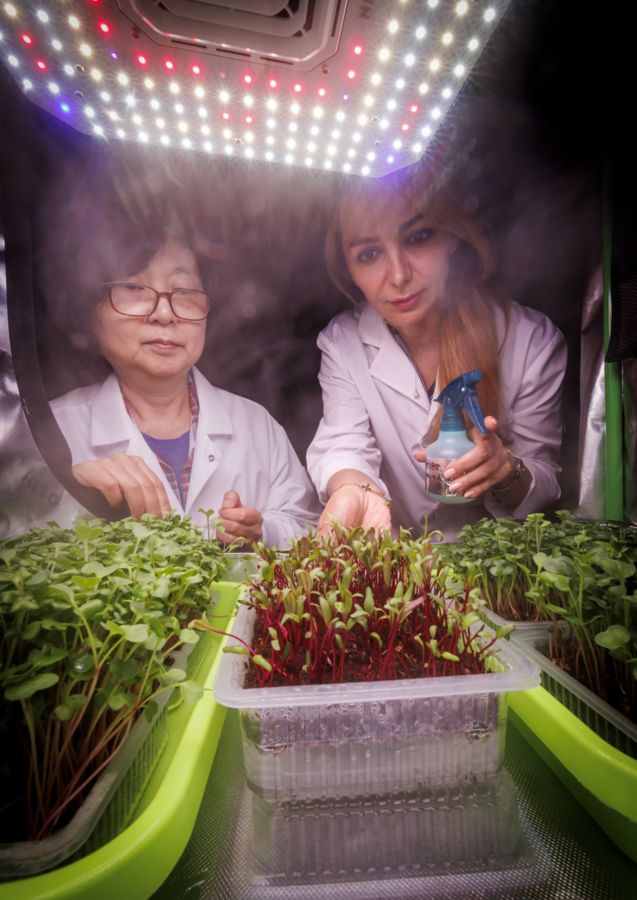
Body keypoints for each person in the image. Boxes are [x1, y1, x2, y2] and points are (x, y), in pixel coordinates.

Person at [307, 167, 567, 538]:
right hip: (394, 558)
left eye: (418, 237)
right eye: (369, 254)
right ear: (349, 269)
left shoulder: (530, 341)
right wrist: (355, 490)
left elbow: (543, 485)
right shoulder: (343, 342)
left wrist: (504, 469)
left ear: (453, 237)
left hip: (493, 567)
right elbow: (343, 442)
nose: (398, 275)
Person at [50, 220, 319, 547]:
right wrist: (69, 493)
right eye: (134, 288)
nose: (164, 313)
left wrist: (263, 532)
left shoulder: (256, 425)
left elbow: (311, 527)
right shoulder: (52, 428)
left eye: (185, 292)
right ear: (91, 311)